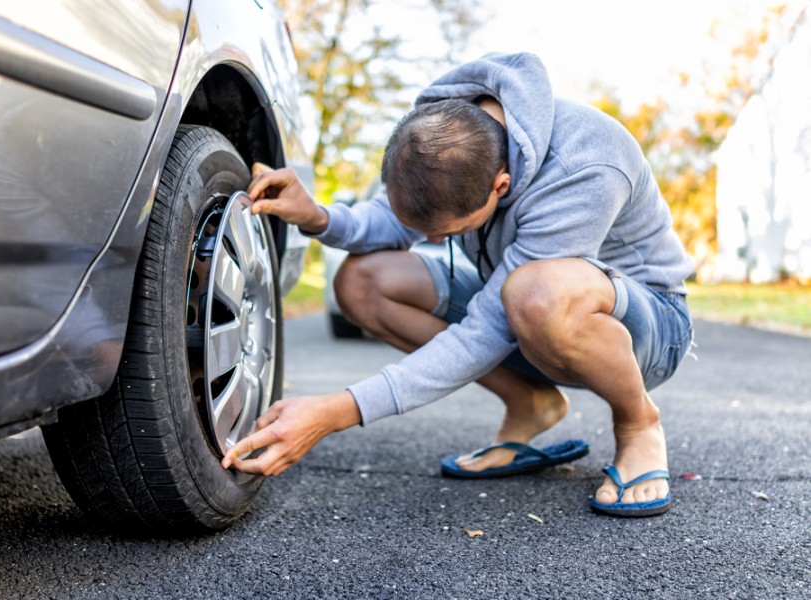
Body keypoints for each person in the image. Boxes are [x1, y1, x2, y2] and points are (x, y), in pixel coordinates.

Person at [221, 53, 694, 517]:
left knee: (536, 293)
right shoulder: (441, 133)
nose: (430, 241)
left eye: (446, 234)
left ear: (501, 186)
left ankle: (638, 424)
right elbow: (398, 218)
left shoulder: (584, 165)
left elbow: (487, 330)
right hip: (527, 311)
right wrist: (319, 217)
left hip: (647, 328)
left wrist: (339, 410)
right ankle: (529, 402)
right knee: (364, 282)